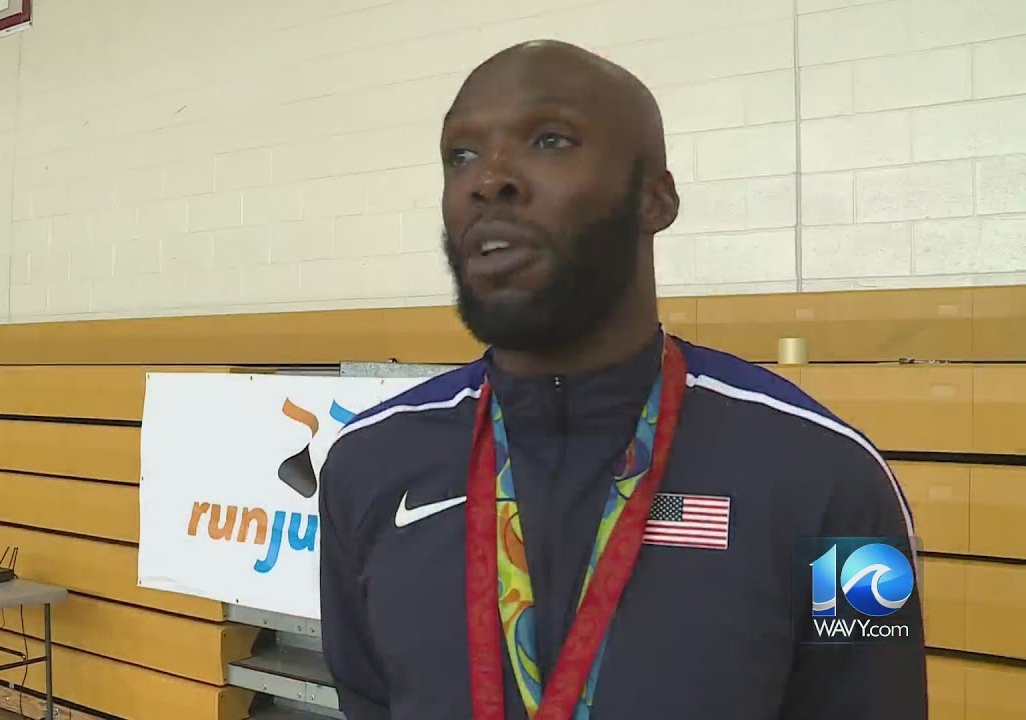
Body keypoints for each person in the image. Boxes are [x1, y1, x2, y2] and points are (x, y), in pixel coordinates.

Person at [317, 39, 927, 720]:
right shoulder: (367, 465)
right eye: (461, 155)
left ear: (655, 198)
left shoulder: (831, 480)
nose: (488, 179)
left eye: (549, 140)